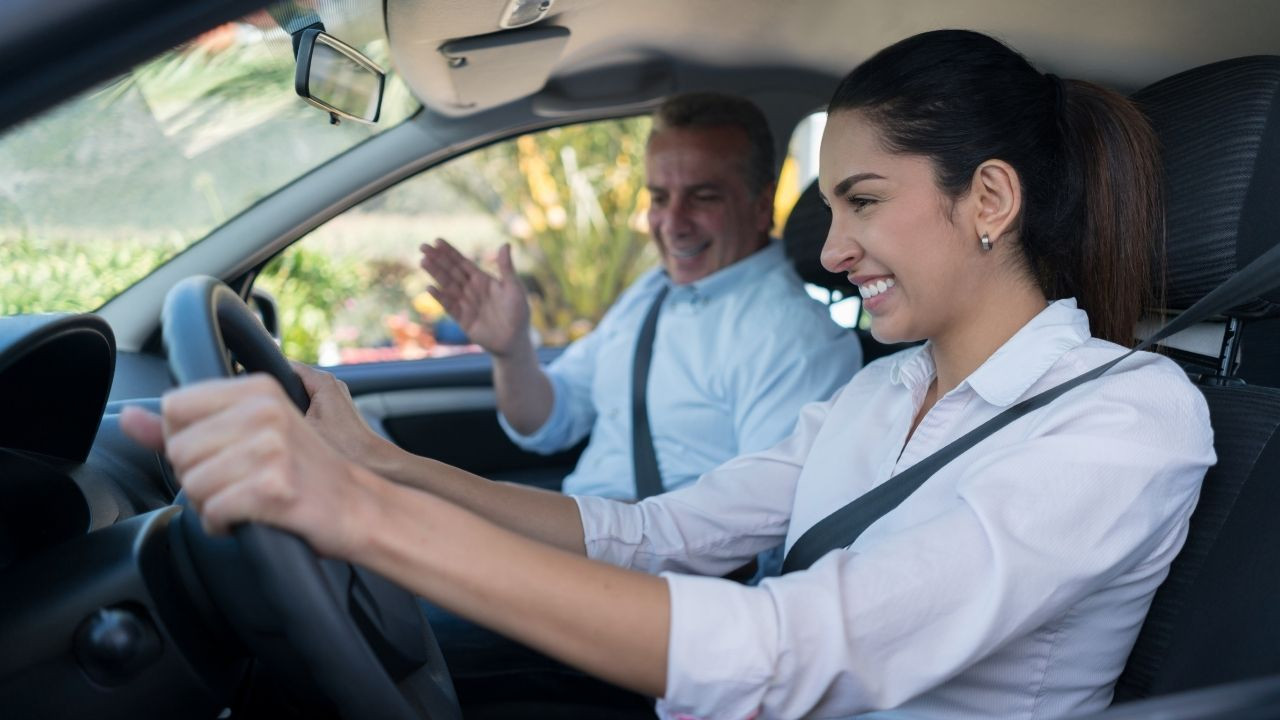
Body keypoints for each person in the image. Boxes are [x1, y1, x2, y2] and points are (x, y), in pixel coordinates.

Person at [122, 29, 1215, 719]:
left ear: (987, 200)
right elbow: (654, 535)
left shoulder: (1127, 421)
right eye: (828, 209)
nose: (828, 252)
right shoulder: (883, 390)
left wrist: (359, 512)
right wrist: (374, 460)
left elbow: (790, 650)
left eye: (863, 203)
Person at [418, 92, 861, 503]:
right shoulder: (652, 292)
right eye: (659, 198)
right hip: (584, 539)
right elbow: (548, 424)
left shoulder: (796, 338)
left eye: (702, 197)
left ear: (761, 204)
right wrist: (511, 353)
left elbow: (759, 521)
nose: (672, 223)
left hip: (660, 576)